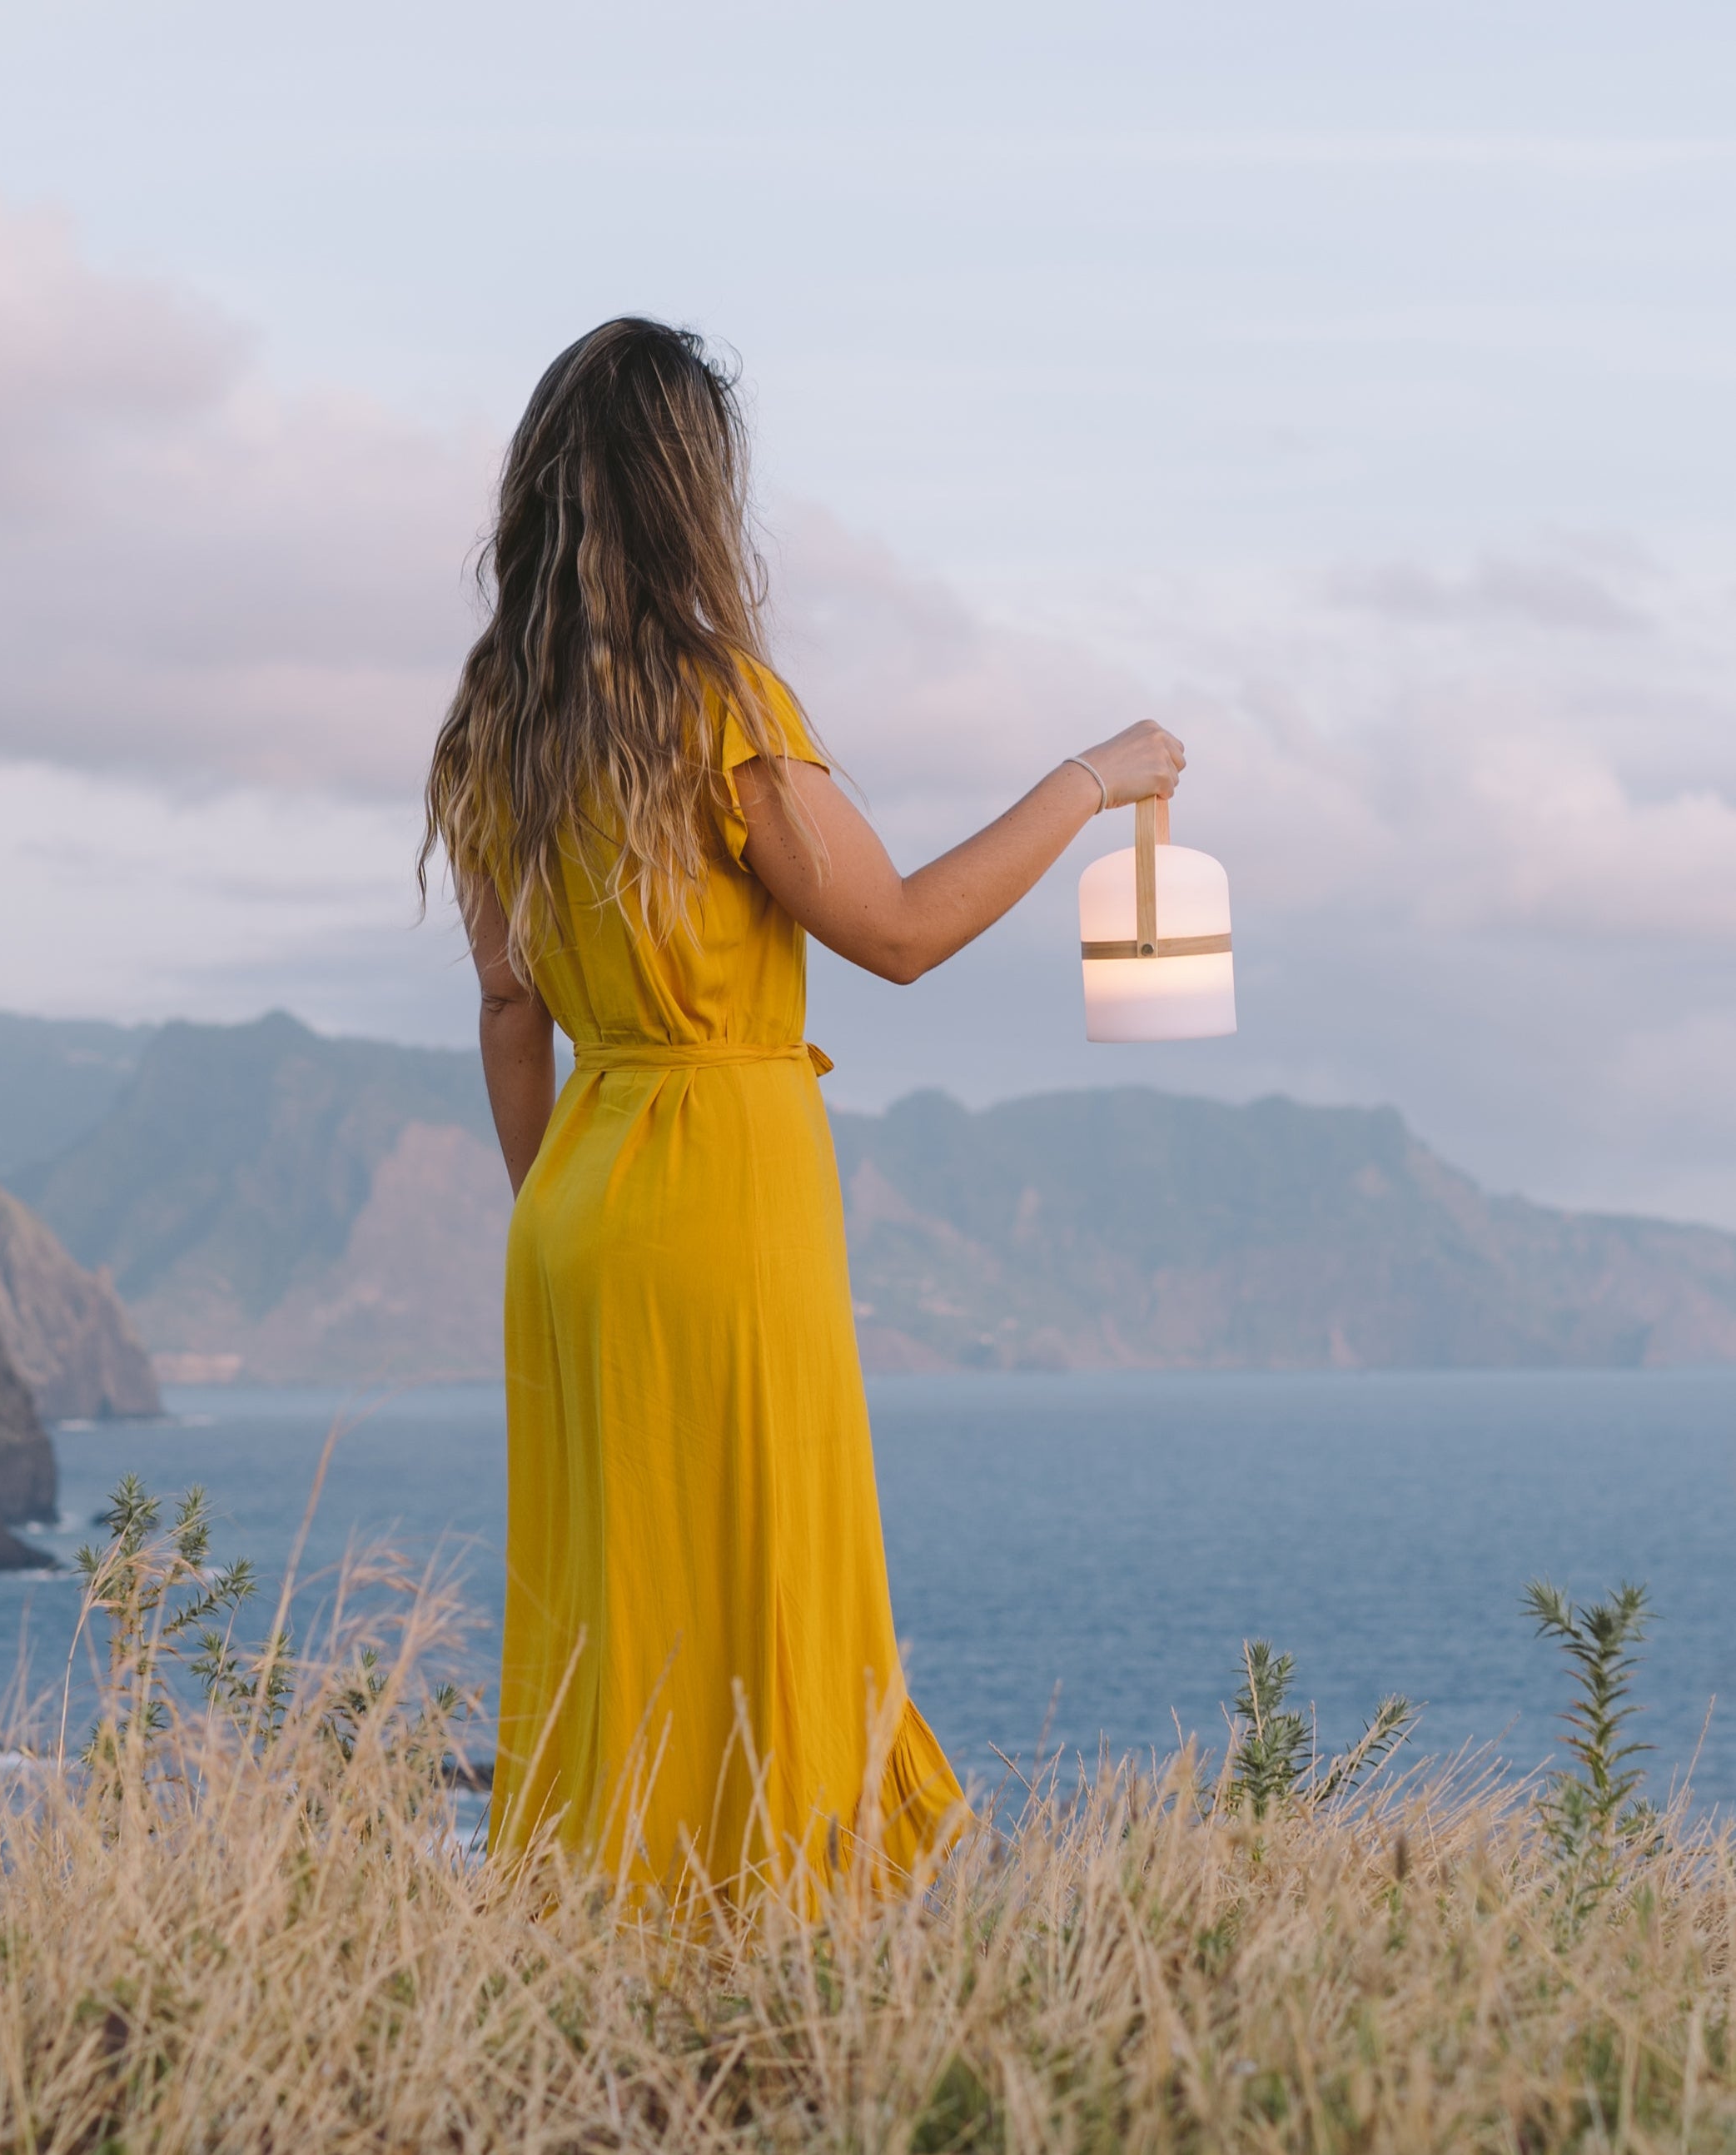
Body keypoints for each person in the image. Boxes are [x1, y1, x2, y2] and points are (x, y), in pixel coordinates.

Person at [422, 317, 1184, 1907]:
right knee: (778, 1573)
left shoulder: (496, 721)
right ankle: (778, 1924)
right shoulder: (718, 705)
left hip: (573, 1208)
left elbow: (510, 1009)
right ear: (691, 490)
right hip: (721, 1187)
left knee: (609, 1594)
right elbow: (896, 932)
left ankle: (601, 1914)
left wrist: (560, 1207)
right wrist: (1091, 778)